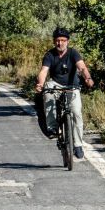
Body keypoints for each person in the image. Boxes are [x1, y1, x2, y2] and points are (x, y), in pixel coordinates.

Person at [35, 27, 93, 160]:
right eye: (57, 40)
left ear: (67, 41)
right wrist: (40, 84)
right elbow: (44, 71)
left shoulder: (73, 53)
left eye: (63, 40)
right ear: (54, 41)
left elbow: (82, 67)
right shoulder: (50, 55)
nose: (60, 43)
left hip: (72, 86)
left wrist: (88, 78)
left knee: (77, 112)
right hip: (56, 84)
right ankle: (53, 128)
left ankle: (78, 144)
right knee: (48, 92)